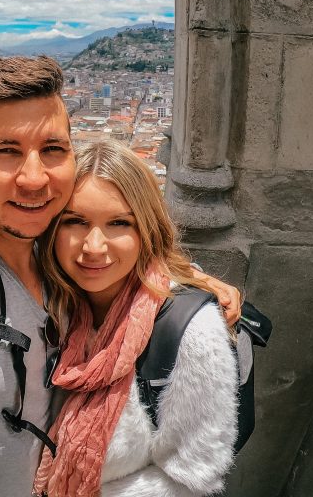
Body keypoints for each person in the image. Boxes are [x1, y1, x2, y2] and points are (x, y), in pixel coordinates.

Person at [0, 55, 241, 497]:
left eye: (53, 150)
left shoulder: (43, 235)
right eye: (5, 152)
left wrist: (187, 282)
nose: (35, 180)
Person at [34, 140, 238, 497]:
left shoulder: (193, 332)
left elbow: (191, 481)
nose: (94, 246)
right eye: (76, 221)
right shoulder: (54, 305)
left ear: (145, 229)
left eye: (118, 223)